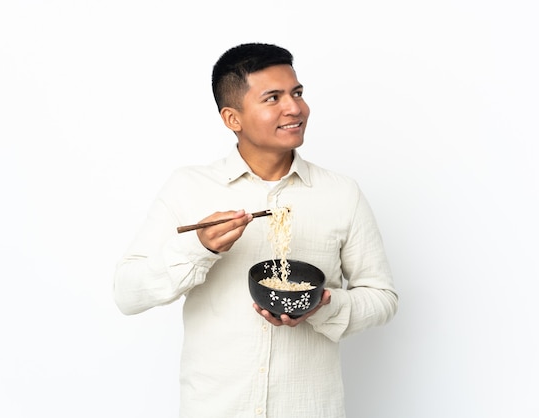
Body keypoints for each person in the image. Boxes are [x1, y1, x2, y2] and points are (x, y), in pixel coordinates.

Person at [113, 42, 398, 418]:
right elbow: (127, 293)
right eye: (273, 98)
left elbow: (382, 298)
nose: (294, 108)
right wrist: (198, 248)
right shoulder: (188, 187)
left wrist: (325, 305)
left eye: (297, 93)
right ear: (233, 118)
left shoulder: (341, 193)